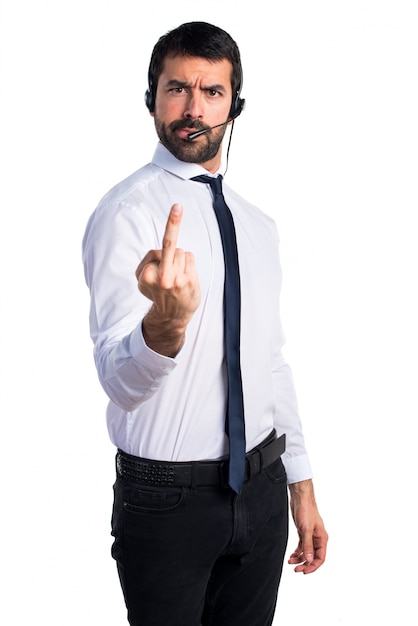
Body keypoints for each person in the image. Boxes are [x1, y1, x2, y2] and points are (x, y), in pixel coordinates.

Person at [82, 21, 328, 626]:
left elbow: (271, 361)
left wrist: (301, 482)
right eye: (176, 90)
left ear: (235, 106)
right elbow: (120, 381)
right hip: (166, 503)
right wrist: (164, 328)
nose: (193, 109)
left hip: (264, 492)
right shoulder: (125, 214)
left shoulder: (259, 226)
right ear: (151, 100)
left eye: (212, 92)